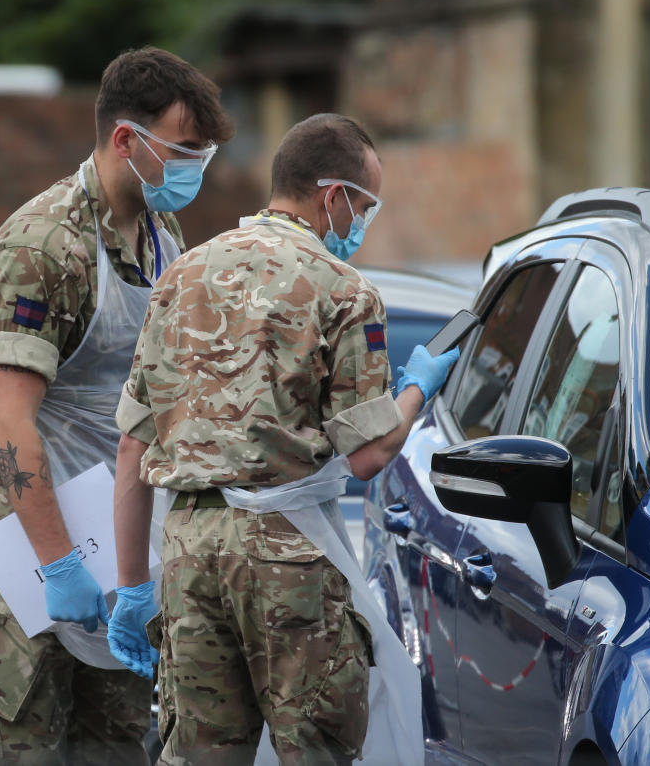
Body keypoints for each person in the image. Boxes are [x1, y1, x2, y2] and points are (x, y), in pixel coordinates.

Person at [107, 113, 459, 765]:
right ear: (333, 197)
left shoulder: (181, 277)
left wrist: (132, 588)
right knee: (314, 749)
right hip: (287, 558)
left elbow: (132, 446)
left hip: (188, 554)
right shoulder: (345, 290)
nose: (363, 221)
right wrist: (418, 391)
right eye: (365, 205)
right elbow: (369, 454)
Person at [0, 46, 234, 765]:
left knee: (115, 741)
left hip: (117, 531)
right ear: (125, 142)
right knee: (24, 742)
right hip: (28, 537)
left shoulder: (162, 239)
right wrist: (58, 566)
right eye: (186, 150)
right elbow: (8, 419)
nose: (199, 167)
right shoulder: (47, 248)